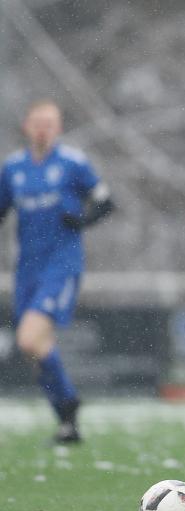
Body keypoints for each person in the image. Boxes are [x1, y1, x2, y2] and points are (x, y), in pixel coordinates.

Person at [0, 99, 114, 444]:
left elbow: (106, 202)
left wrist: (82, 219)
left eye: (49, 123)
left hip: (61, 266)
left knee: (29, 338)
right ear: (26, 126)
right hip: (26, 270)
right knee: (36, 348)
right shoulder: (13, 168)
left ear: (58, 128)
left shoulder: (72, 164)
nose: (42, 129)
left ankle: (69, 403)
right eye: (37, 122)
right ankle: (67, 419)